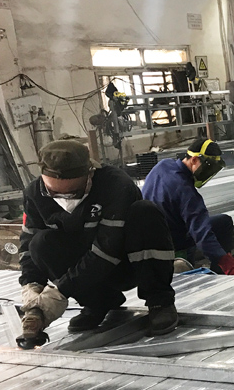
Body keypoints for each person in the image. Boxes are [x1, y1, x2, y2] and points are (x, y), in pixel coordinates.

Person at [19, 140, 178, 340]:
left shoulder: (116, 185)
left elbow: (108, 249)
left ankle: (159, 300)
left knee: (145, 212)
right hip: (86, 268)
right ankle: (98, 303)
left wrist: (59, 292)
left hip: (126, 263)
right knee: (40, 243)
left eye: (73, 193)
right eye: (54, 193)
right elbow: (28, 245)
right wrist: (31, 288)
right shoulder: (34, 194)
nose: (65, 199)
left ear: (89, 173)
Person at [142, 138, 234, 275]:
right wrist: (229, 265)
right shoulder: (187, 192)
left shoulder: (163, 165)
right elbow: (203, 236)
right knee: (222, 224)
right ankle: (221, 272)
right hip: (172, 242)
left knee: (220, 221)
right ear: (193, 160)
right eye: (207, 167)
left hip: (148, 237)